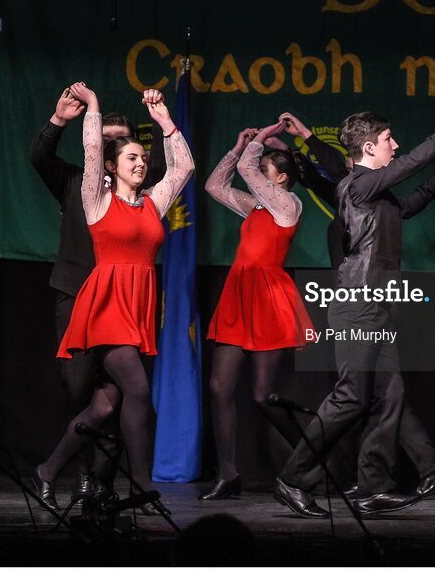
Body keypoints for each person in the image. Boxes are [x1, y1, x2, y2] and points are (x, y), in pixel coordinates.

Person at [274, 99, 435, 519]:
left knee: (390, 394)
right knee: (350, 398)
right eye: (389, 139)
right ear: (370, 147)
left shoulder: (376, 193)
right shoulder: (358, 185)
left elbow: (407, 207)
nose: (395, 145)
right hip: (355, 303)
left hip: (376, 305)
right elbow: (412, 161)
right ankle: (292, 478)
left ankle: (375, 485)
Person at [33, 83, 194, 516]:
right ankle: (142, 487)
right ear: (111, 166)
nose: (141, 164)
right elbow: (89, 151)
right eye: (132, 158)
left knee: (107, 403)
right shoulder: (96, 199)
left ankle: (48, 470)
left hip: (137, 306)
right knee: (139, 391)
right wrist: (94, 106)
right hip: (105, 306)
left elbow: (183, 169)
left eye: (143, 159)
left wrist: (163, 120)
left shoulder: (152, 205)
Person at [199, 121, 316, 500]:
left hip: (267, 297)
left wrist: (261, 138)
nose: (256, 181)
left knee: (263, 395)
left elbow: (250, 173)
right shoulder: (256, 208)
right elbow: (214, 186)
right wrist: (238, 147)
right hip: (238, 294)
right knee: (218, 387)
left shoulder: (287, 205)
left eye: (266, 173)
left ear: (280, 178)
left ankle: (312, 460)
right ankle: (229, 474)